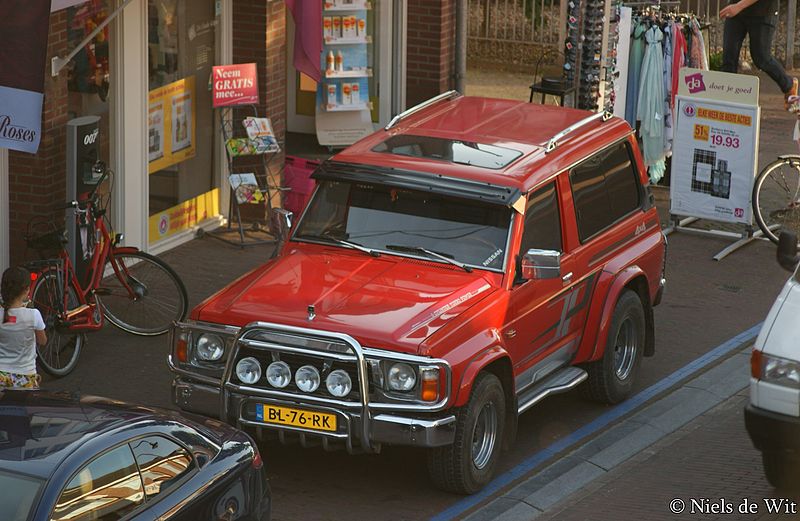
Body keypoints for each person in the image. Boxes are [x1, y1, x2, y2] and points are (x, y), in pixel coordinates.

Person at [719, 0, 798, 110]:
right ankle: (726, 103)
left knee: (761, 58)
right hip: (735, 11)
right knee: (729, 58)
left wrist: (738, 6)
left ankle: (788, 85)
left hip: (762, 12)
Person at [0, 267, 46, 390]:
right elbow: (43, 341)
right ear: (26, 290)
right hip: (25, 376)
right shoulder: (33, 315)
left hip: (1, 374)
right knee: (23, 408)